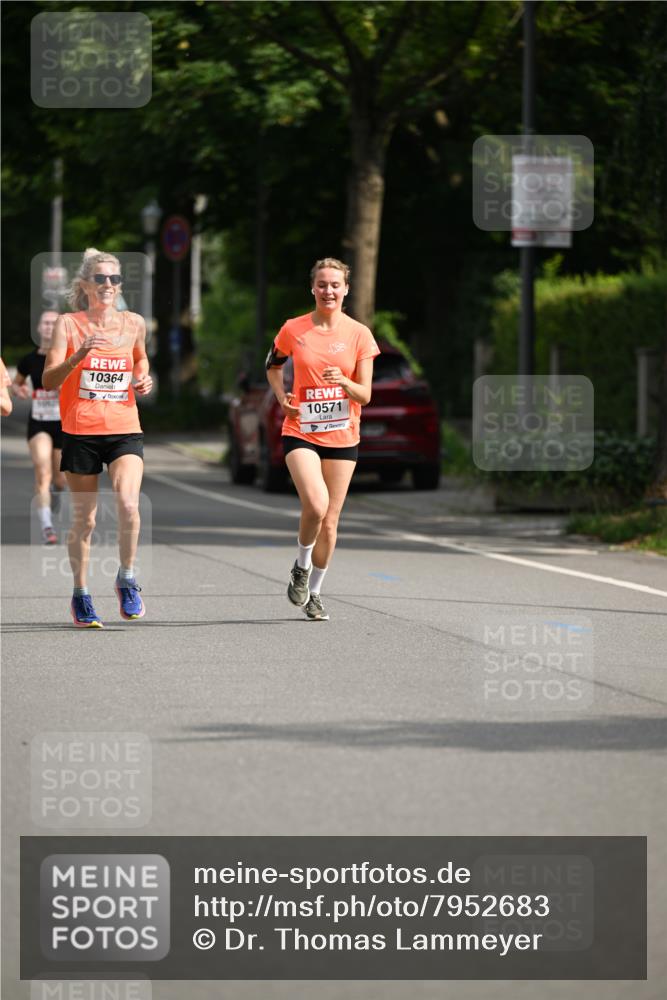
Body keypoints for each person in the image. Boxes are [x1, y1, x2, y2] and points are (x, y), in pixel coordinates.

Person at [43, 248, 153, 628]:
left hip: (124, 428)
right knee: (85, 520)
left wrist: (143, 377)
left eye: (114, 278)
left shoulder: (134, 322)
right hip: (81, 432)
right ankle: (81, 594)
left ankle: (127, 578)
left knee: (129, 504)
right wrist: (78, 357)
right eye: (101, 278)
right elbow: (49, 379)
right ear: (86, 284)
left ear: (120, 284)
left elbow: (140, 358)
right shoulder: (68, 324)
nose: (108, 284)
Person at [266, 257, 380, 621]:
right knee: (315, 505)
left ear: (346, 289)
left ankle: (314, 593)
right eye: (322, 284)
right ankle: (301, 567)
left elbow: (365, 395)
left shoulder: (359, 334)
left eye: (335, 285)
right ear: (312, 288)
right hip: (301, 430)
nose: (328, 291)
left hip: (343, 435)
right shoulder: (293, 329)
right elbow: (273, 365)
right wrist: (282, 398)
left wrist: (344, 381)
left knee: (330, 521)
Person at [12, 311, 66, 545]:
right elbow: (16, 383)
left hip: (63, 425)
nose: (49, 327)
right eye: (45, 323)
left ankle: (56, 492)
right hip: (39, 423)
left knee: (60, 480)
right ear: (38, 328)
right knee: (43, 471)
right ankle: (47, 526)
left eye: (54, 323)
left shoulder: (67, 358)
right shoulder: (29, 360)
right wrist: (19, 390)